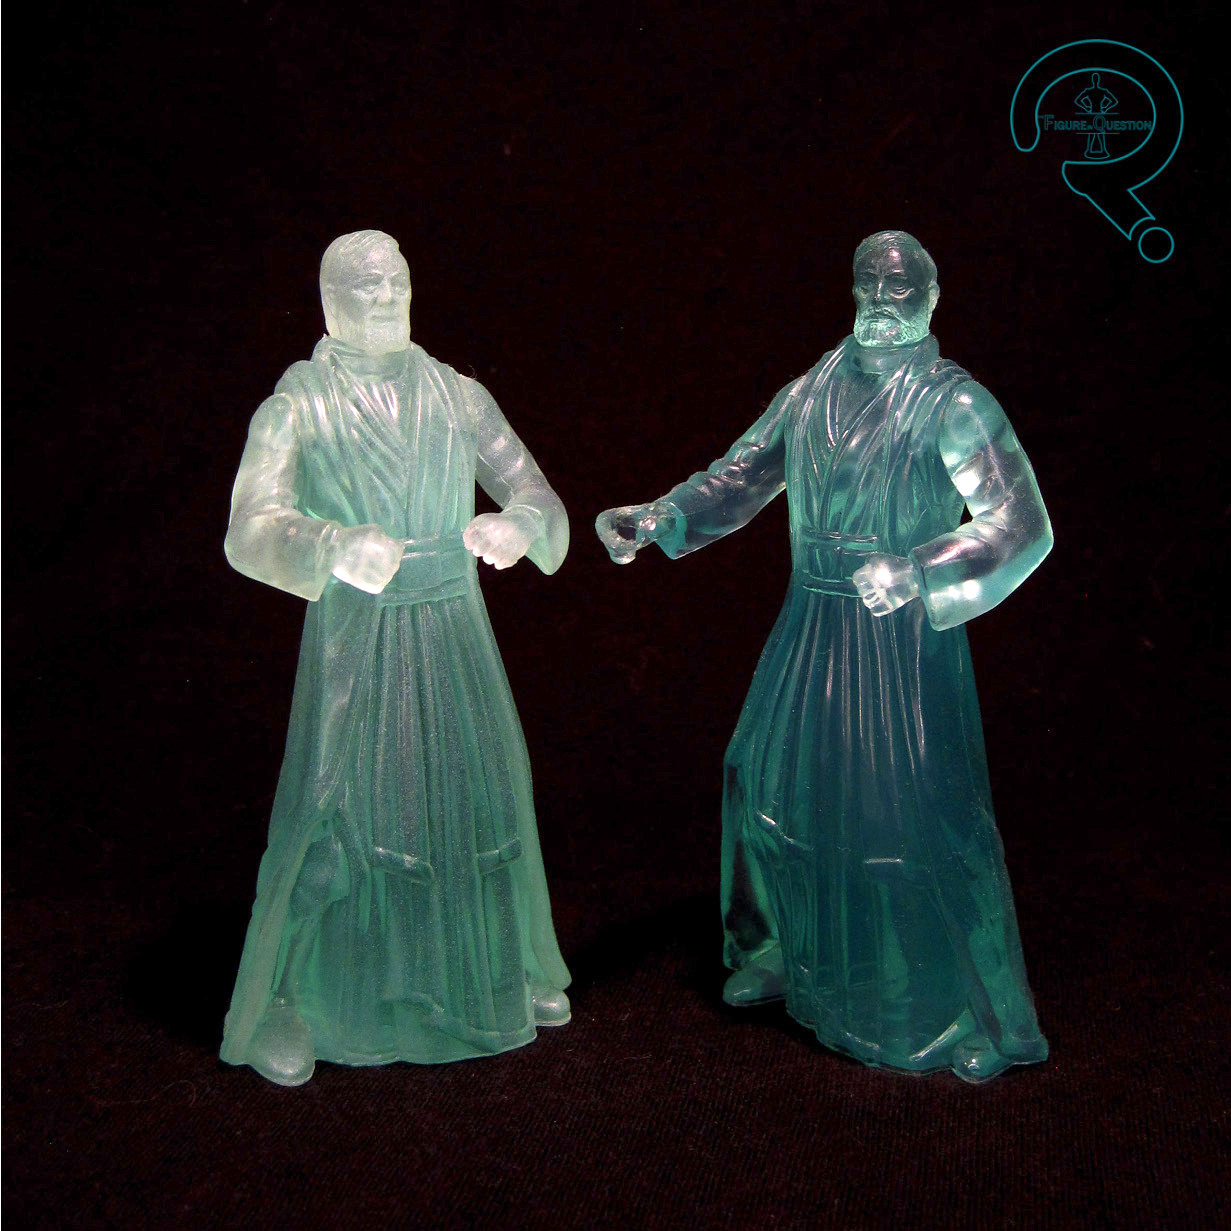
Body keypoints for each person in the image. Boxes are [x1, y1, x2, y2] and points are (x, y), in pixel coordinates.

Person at [597, 231, 1052, 1081]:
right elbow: (743, 473)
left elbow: (1020, 523)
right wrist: (661, 516)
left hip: (897, 639)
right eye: (868, 286)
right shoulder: (812, 387)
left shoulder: (953, 403)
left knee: (907, 815)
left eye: (900, 289)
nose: (881, 302)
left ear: (931, 298)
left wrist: (917, 568)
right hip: (812, 618)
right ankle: (782, 949)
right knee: (759, 778)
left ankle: (967, 1010)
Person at [221, 230, 570, 1085]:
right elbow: (249, 529)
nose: (383, 300)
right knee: (333, 812)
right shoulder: (296, 407)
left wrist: (519, 525)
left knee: (482, 799)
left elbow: (537, 493)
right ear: (328, 300)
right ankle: (285, 998)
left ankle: (496, 973)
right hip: (361, 635)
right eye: (364, 287)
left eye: (395, 284)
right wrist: (331, 544)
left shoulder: (457, 395)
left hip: (452, 628)